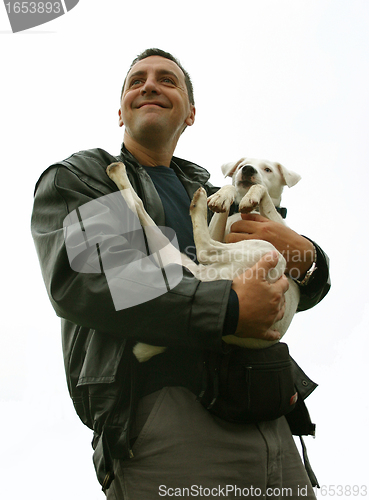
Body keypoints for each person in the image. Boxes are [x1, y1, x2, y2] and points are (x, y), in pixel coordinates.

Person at [31, 48, 330, 499]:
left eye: (167, 80)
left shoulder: (217, 196)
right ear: (120, 112)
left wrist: (308, 257)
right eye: (137, 80)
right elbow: (92, 279)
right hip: (165, 418)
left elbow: (291, 282)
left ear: (190, 114)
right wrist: (228, 307)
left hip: (270, 417)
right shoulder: (89, 177)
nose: (150, 85)